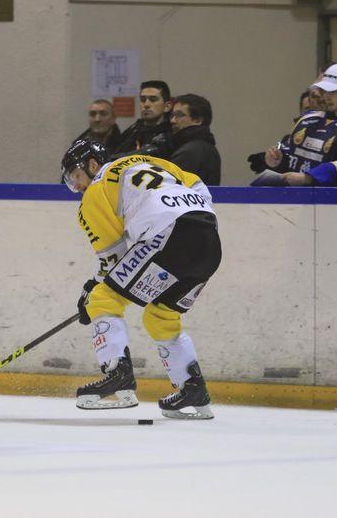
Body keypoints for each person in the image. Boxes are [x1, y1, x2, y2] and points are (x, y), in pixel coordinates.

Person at [61, 139, 221, 420]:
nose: (77, 187)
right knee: (161, 315)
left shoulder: (97, 190)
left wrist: (90, 291)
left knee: (102, 299)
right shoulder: (155, 162)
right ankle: (193, 389)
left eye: (76, 176)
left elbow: (112, 259)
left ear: (93, 165)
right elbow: (198, 187)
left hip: (169, 233)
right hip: (209, 239)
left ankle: (118, 375)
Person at [262, 63, 337, 187]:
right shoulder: (309, 118)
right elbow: (289, 151)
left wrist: (310, 177)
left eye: (333, 92)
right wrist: (277, 159)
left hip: (336, 198)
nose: (327, 97)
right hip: (299, 196)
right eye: (325, 91)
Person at [168, 93, 221, 185]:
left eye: (179, 115)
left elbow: (167, 186)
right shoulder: (206, 146)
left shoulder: (189, 152)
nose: (172, 120)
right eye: (172, 115)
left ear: (198, 120)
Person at [112, 80, 173, 159]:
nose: (146, 104)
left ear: (167, 106)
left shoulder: (171, 135)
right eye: (143, 100)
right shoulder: (133, 130)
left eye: (153, 99)